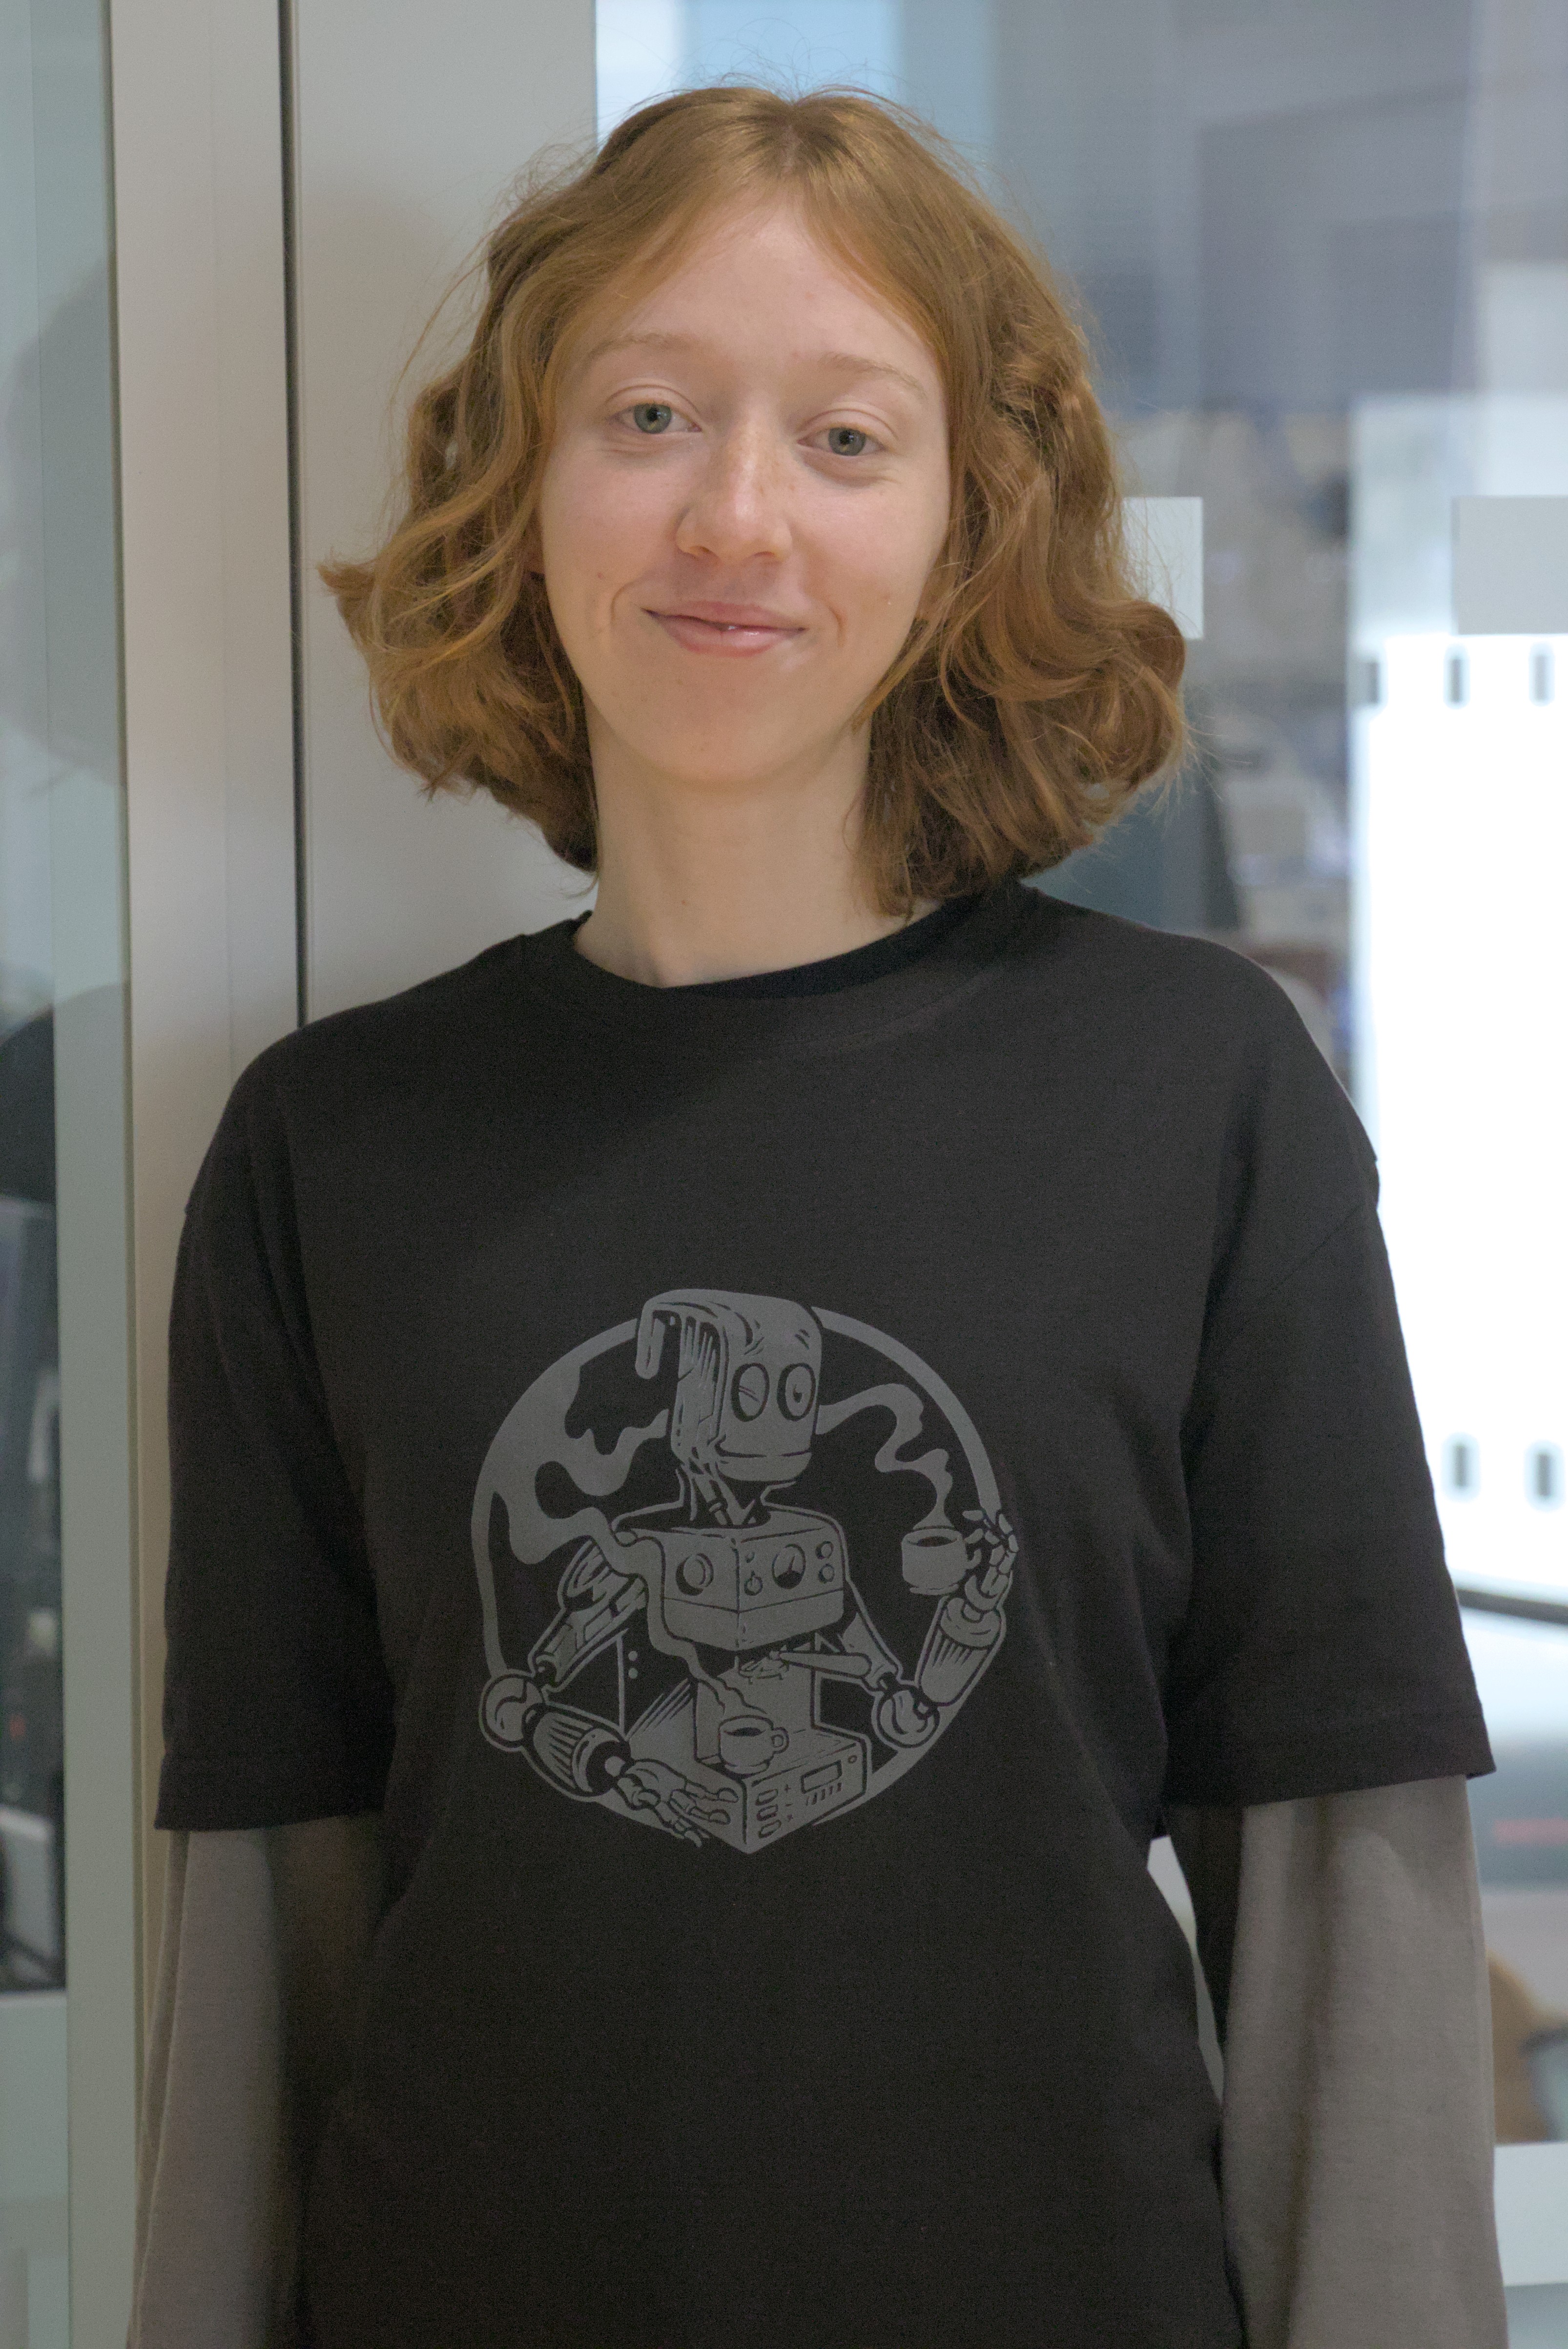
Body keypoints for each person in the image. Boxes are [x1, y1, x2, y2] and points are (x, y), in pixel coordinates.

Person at [131, 85, 1505, 2349]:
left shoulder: (1192, 1094)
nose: (735, 516)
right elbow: (265, 1957)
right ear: (524, 482)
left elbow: (1339, 1898)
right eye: (648, 415)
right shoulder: (329, 1148)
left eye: (846, 439)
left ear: (969, 524)